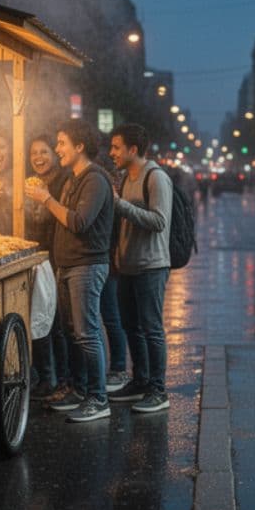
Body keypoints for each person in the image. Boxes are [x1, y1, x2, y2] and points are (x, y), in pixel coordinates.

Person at [25, 119, 114, 423]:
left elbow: (79, 222)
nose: (58, 149)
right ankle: (80, 390)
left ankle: (98, 399)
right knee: (74, 333)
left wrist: (46, 200)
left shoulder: (95, 179)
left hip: (87, 265)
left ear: (79, 146)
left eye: (62, 143)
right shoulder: (74, 178)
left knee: (88, 334)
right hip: (66, 265)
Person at [108, 124, 173, 413]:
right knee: (130, 326)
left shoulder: (156, 177)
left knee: (152, 329)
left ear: (133, 150)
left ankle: (158, 390)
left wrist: (120, 206)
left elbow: (159, 222)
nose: (112, 153)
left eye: (116, 147)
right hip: (128, 266)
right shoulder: (124, 178)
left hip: (151, 266)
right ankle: (140, 381)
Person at [25, 134, 71, 400]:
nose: (38, 158)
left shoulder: (62, 182)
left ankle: (62, 380)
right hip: (35, 256)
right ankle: (45, 378)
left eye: (44, 152)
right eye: (34, 153)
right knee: (39, 319)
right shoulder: (30, 182)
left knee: (57, 323)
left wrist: (42, 199)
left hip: (54, 256)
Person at [94, 150, 130, 393]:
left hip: (109, 261)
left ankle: (118, 368)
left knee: (111, 316)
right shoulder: (113, 187)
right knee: (109, 316)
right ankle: (116, 368)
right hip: (108, 259)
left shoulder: (108, 190)